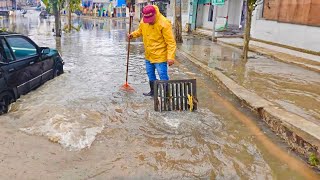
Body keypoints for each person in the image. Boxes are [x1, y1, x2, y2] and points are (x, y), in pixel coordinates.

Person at [128, 5, 176, 97]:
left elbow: (171, 42)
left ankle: (166, 95)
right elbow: (140, 31)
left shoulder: (164, 23)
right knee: (150, 74)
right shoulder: (144, 21)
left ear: (155, 14)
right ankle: (153, 92)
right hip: (148, 54)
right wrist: (132, 35)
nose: (149, 22)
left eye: (151, 19)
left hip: (160, 56)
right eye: (147, 20)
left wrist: (170, 57)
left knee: (162, 76)